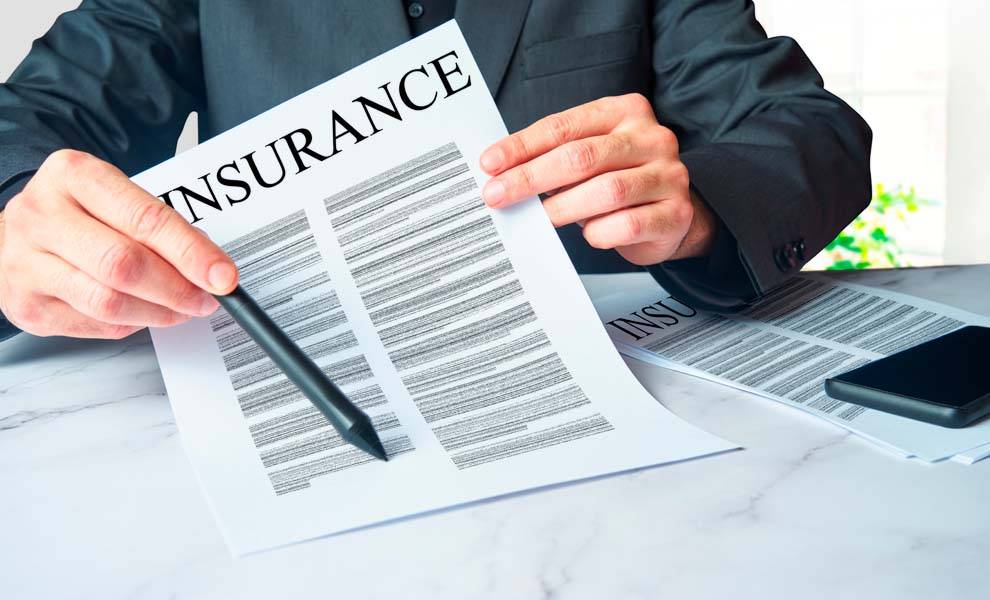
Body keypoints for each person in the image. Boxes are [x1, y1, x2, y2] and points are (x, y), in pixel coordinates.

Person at [0, 1, 871, 342]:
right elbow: (31, 125)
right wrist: (14, 222)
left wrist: (701, 209)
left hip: (595, 390)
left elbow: (813, 133)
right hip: (287, 375)